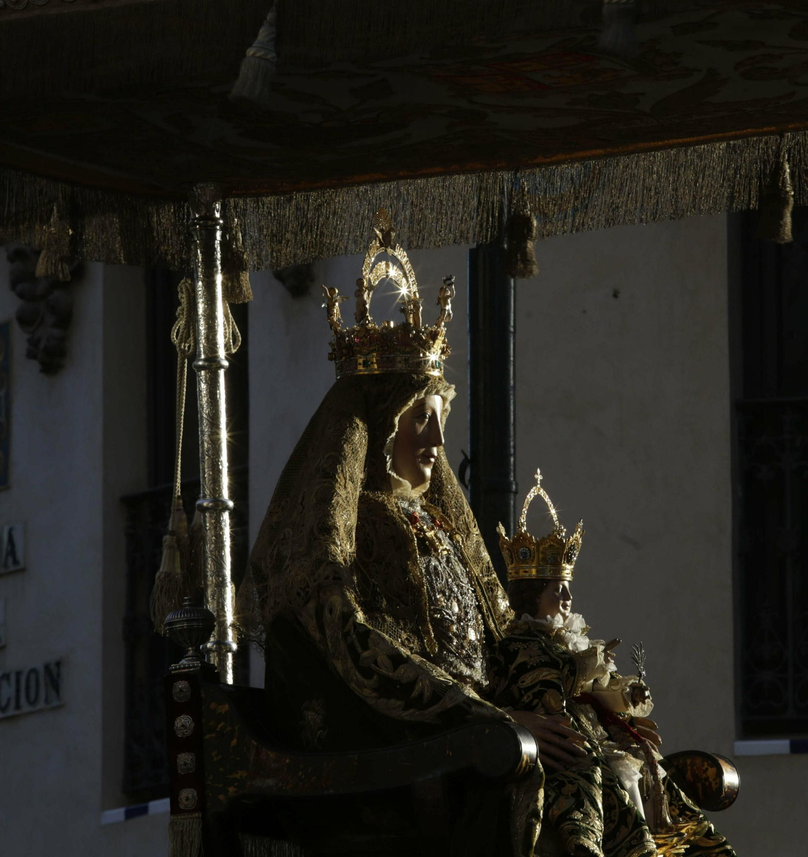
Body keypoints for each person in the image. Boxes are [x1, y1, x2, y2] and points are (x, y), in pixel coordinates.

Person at [248, 212, 558, 856]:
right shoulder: (347, 530)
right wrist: (488, 720)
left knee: (606, 765)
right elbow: (362, 649)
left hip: (471, 739)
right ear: (383, 423)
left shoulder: (438, 521)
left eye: (440, 419)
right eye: (422, 419)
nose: (438, 443)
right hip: (413, 758)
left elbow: (491, 634)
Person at [489, 472, 738, 857]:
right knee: (613, 781)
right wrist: (585, 669)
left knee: (646, 767)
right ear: (533, 595)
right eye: (558, 589)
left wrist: (626, 696)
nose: (568, 596)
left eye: (567, 586)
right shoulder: (521, 644)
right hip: (566, 745)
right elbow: (546, 691)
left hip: (596, 734)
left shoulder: (572, 638)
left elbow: (600, 689)